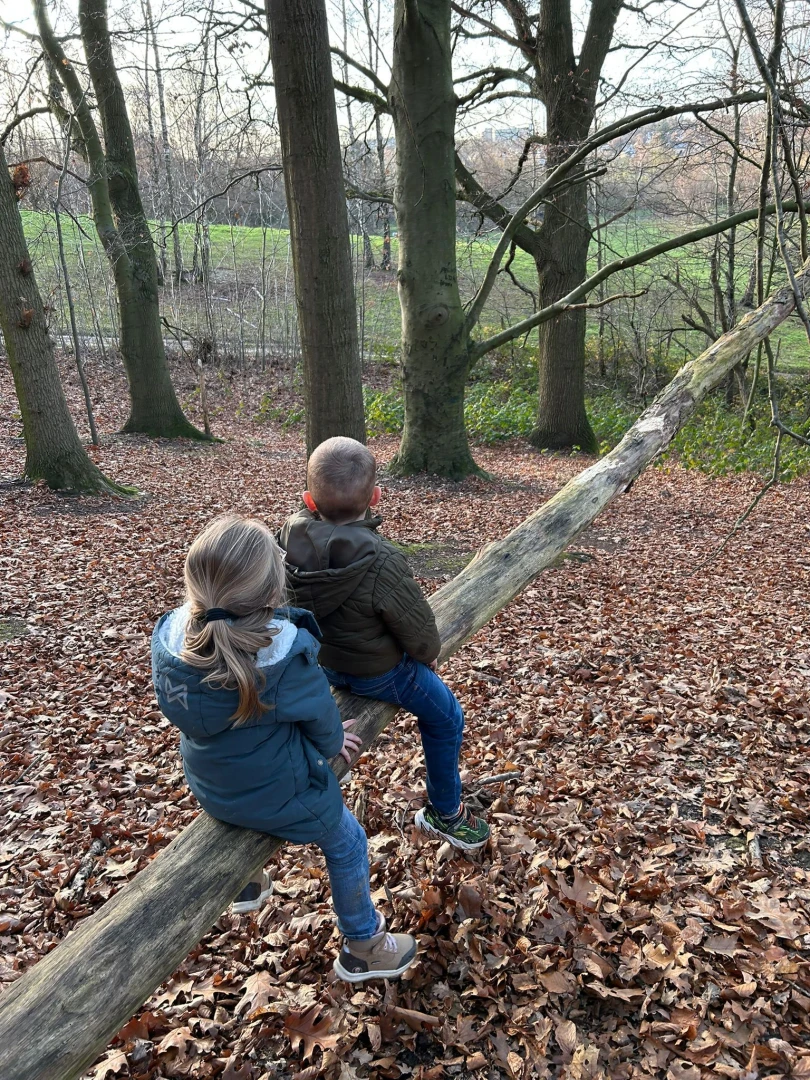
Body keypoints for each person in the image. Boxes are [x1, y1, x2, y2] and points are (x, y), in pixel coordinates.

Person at [150, 513, 417, 983]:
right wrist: (338, 742)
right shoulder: (282, 657)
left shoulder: (172, 644)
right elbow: (320, 718)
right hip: (280, 794)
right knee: (350, 842)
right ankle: (364, 944)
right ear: (274, 596)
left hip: (210, 785)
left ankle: (246, 884)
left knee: (243, 757)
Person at [278, 437, 490, 852]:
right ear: (376, 496)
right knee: (447, 717)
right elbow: (423, 638)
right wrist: (426, 659)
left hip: (323, 665)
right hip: (380, 675)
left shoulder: (284, 542)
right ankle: (446, 813)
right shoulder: (381, 560)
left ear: (308, 499)